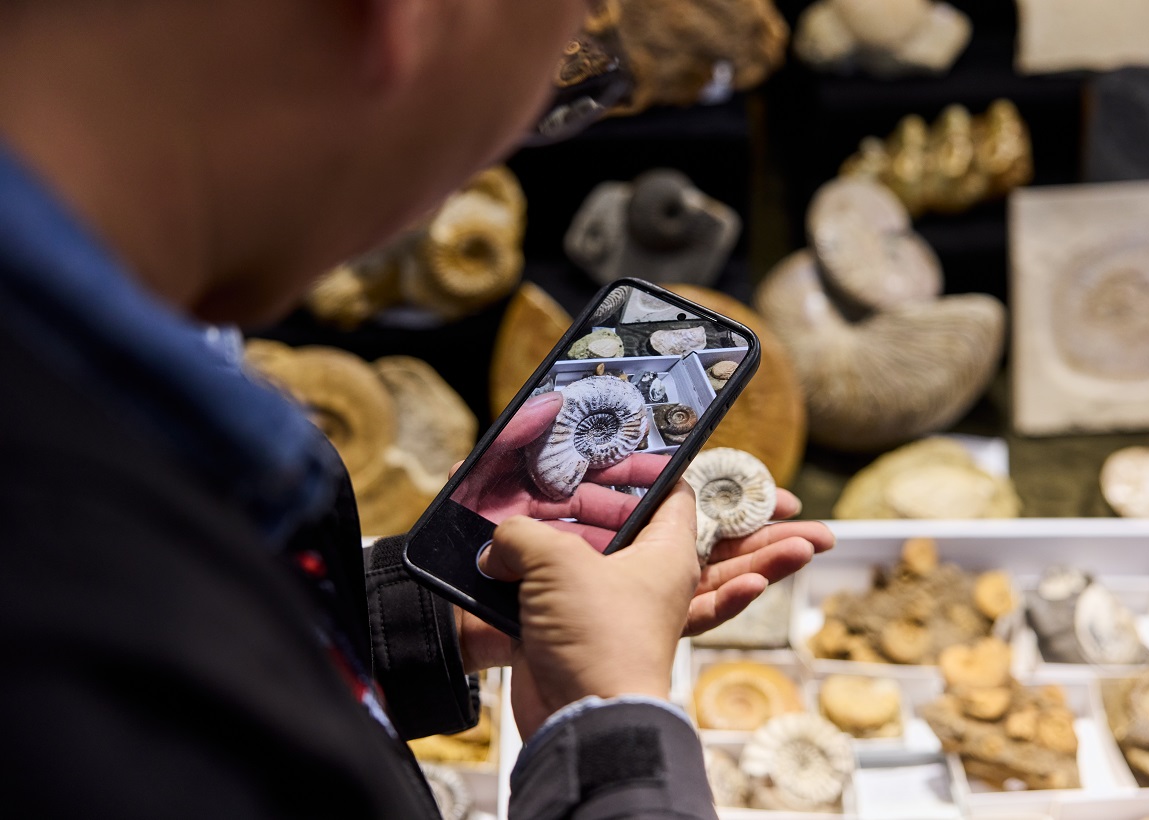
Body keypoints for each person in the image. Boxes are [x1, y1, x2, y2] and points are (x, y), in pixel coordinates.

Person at [0, 1, 834, 817]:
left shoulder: (90, 476)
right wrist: (611, 732)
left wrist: (419, 617)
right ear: (409, 17)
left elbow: (190, 697)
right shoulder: (73, 610)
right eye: (565, 81)